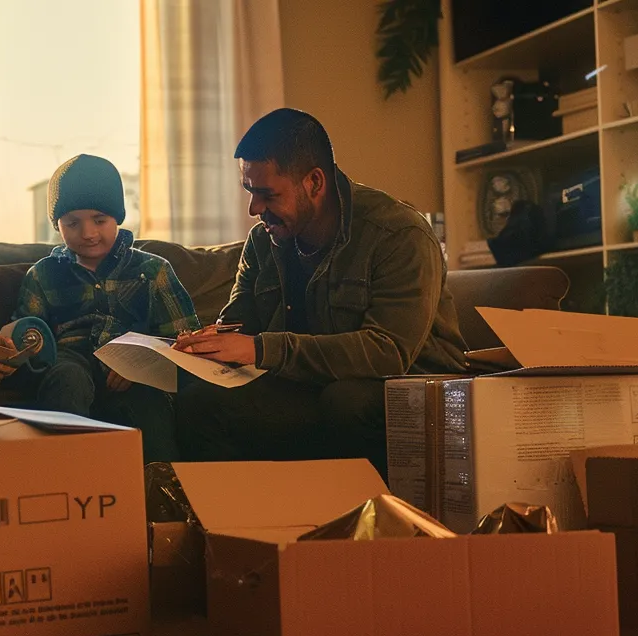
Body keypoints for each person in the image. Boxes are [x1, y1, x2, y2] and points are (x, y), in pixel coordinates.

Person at [171, 109, 467, 473]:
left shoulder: (398, 234)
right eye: (250, 192)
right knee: (199, 403)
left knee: (346, 400)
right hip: (313, 384)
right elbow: (238, 324)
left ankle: (364, 520)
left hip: (412, 388)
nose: (254, 209)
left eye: (267, 194)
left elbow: (387, 352)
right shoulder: (264, 242)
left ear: (313, 182)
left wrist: (262, 348)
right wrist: (205, 344)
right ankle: (239, 521)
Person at [0, 155, 200, 462]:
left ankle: (163, 485)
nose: (88, 233)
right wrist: (12, 348)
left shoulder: (153, 269)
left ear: (118, 218)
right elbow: (29, 336)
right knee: (66, 377)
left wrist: (142, 364)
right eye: (72, 223)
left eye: (99, 220)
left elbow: (183, 339)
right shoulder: (43, 274)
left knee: (148, 399)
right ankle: (71, 477)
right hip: (69, 360)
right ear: (57, 224)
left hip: (134, 369)